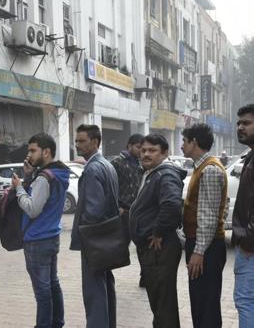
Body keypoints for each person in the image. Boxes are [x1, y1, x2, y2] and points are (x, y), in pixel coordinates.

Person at [11, 133, 69, 328]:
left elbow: (32, 209)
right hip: (51, 236)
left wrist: (19, 187)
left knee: (42, 291)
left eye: (33, 150)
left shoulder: (44, 178)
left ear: (46, 152)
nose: (29, 154)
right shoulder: (58, 173)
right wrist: (29, 176)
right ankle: (57, 323)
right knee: (52, 285)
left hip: (38, 239)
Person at [129, 134, 186, 327]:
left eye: (152, 151)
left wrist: (158, 232)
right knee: (159, 302)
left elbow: (171, 205)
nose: (145, 154)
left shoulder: (165, 174)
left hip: (160, 248)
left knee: (163, 304)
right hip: (152, 249)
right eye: (143, 150)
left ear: (164, 153)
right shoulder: (153, 172)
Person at [69, 124, 119, 328]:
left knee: (94, 292)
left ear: (95, 142)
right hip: (106, 237)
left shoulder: (93, 168)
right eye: (76, 141)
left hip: (95, 239)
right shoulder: (106, 164)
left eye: (82, 141)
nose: (77, 145)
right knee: (105, 286)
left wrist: (86, 234)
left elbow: (94, 210)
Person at [181, 124, 228, 328]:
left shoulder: (209, 170)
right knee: (200, 302)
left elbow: (208, 216)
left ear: (195, 142)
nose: (182, 145)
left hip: (207, 248)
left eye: (184, 141)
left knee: (206, 304)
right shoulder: (202, 166)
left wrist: (199, 251)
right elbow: (222, 207)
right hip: (204, 245)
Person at [109, 134, 145, 287]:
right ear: (129, 146)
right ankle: (106, 275)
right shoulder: (117, 162)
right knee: (118, 247)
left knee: (143, 246)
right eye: (139, 147)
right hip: (123, 211)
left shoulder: (141, 163)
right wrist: (117, 207)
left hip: (138, 212)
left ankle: (145, 276)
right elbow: (109, 186)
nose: (141, 151)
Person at [232, 104, 254, 326]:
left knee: (245, 300)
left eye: (246, 123)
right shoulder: (250, 156)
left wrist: (248, 241)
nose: (240, 127)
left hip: (251, 249)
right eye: (239, 123)